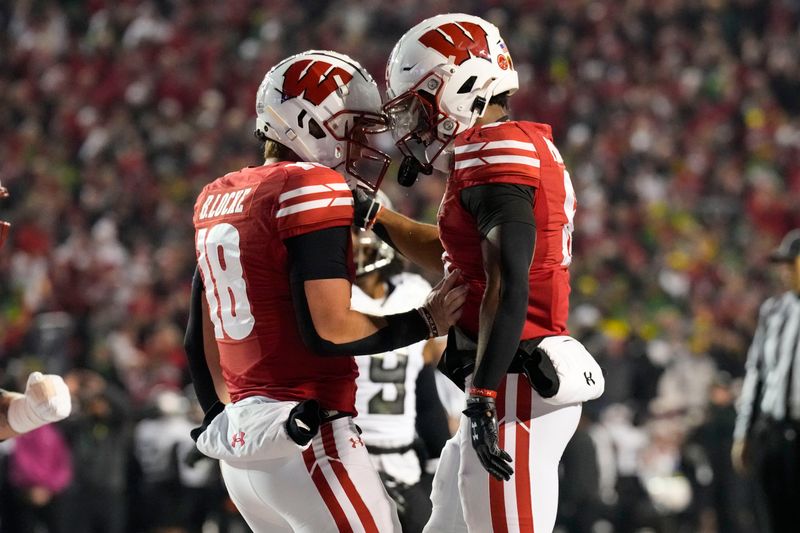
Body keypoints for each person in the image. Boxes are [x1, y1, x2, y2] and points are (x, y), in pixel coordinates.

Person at [183, 50, 466, 533]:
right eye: (353, 128)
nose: (362, 144)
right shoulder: (312, 187)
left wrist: (227, 421)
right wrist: (426, 320)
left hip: (245, 454)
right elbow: (330, 330)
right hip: (312, 436)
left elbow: (197, 339)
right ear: (310, 124)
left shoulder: (217, 196)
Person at [355, 14, 604, 532]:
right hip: (506, 379)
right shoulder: (493, 149)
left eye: (421, 106)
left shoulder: (495, 151)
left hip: (514, 383)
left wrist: (482, 398)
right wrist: (376, 217)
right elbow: (457, 257)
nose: (415, 125)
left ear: (463, 89)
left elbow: (507, 283)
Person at [350, 196, 450, 532]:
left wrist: (438, 447)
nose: (347, 242)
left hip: (403, 458)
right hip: (344, 457)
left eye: (353, 230)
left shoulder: (414, 291)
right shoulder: (331, 298)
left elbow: (424, 377)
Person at [732, 228, 800, 533]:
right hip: (772, 432)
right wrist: (743, 431)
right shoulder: (774, 311)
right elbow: (756, 372)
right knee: (772, 520)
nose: (784, 271)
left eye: (791, 263)